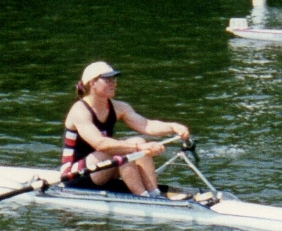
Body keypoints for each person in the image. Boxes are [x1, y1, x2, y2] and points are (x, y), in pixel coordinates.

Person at [62, 62, 191, 196]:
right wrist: (138, 148)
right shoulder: (79, 111)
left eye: (114, 79)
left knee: (139, 141)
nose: (114, 83)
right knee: (127, 149)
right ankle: (142, 197)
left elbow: (146, 125)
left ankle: (154, 193)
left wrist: (173, 127)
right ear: (93, 83)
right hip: (74, 174)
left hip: (102, 169)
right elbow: (100, 144)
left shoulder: (119, 107)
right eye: (108, 80)